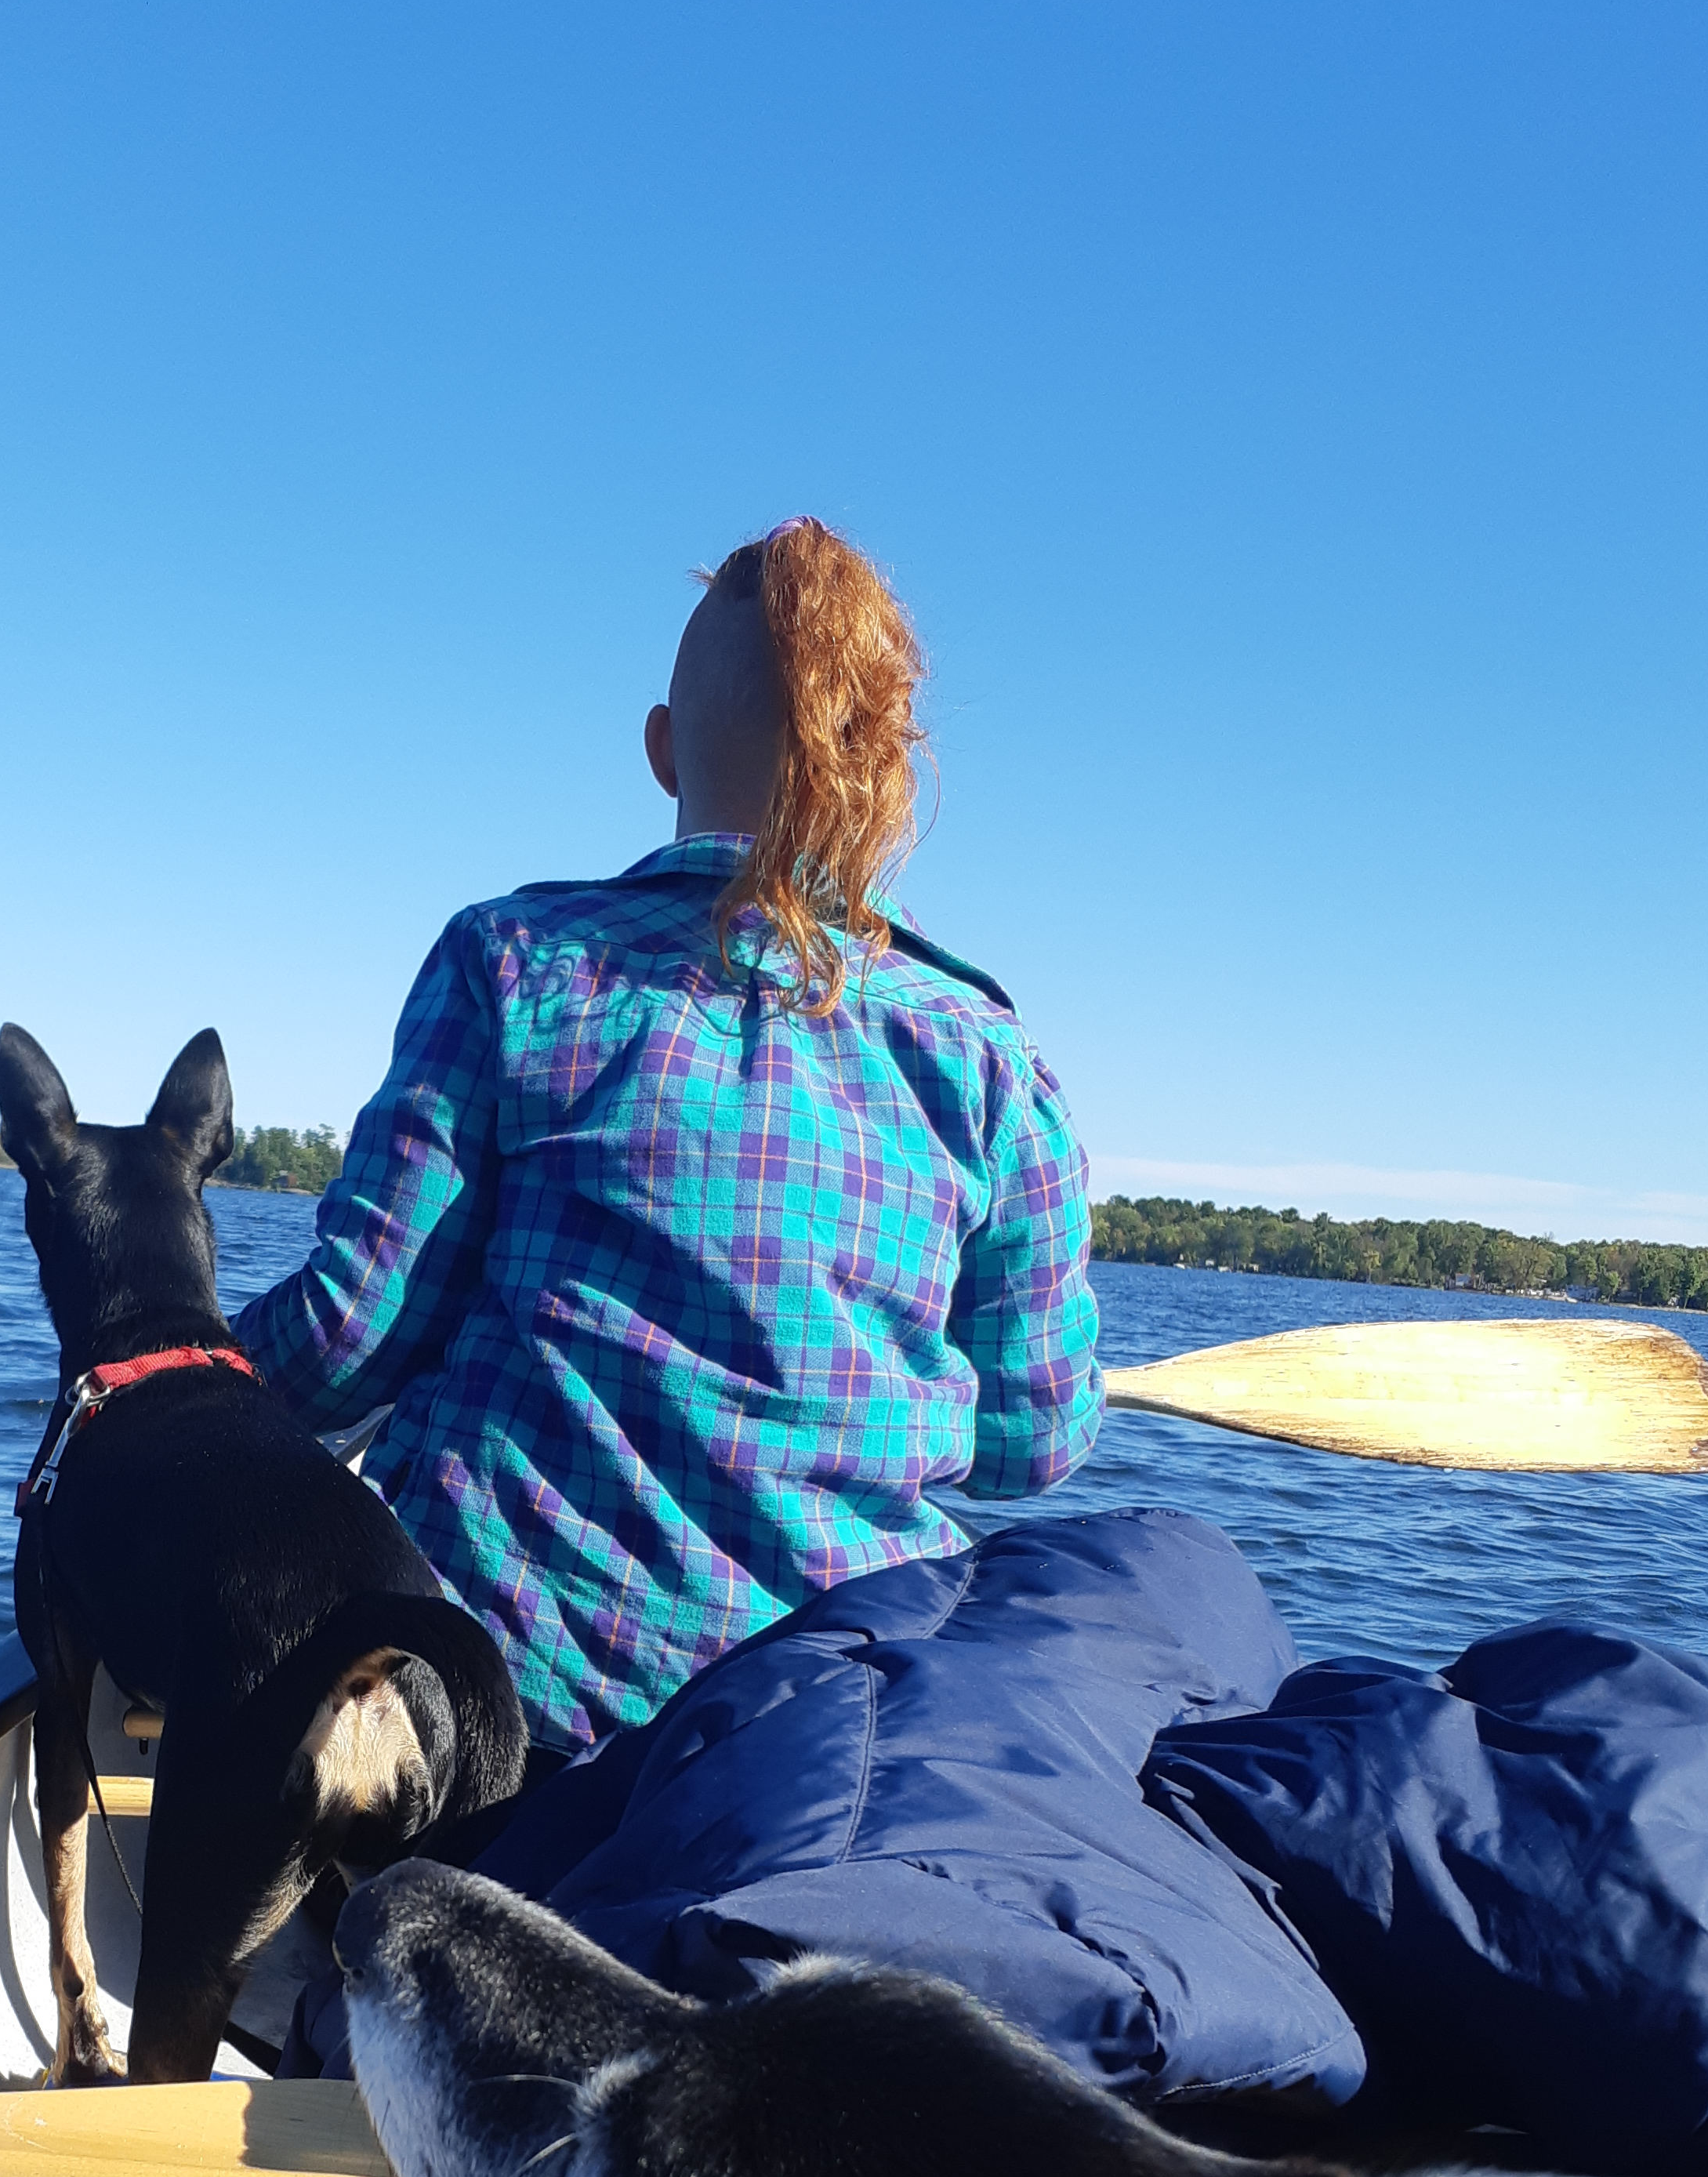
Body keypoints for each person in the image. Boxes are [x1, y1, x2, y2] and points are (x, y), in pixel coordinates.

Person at [233, 518, 1104, 1762]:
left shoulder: (513, 962)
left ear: (659, 749)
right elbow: (1033, 1447)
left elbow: (346, 1344)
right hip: (820, 1739)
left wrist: (161, 1383)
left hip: (509, 1735)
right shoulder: (994, 1065)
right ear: (885, 761)